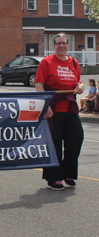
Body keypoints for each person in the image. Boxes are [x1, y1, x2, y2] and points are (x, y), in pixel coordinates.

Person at [35, 32, 84, 190]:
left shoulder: (74, 63)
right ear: (53, 46)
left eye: (64, 43)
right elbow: (39, 85)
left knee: (75, 140)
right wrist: (46, 104)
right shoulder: (46, 62)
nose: (61, 45)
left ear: (68, 45)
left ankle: (68, 173)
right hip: (53, 109)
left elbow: (77, 82)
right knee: (54, 144)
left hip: (70, 108)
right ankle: (53, 178)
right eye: (58, 43)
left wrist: (81, 86)